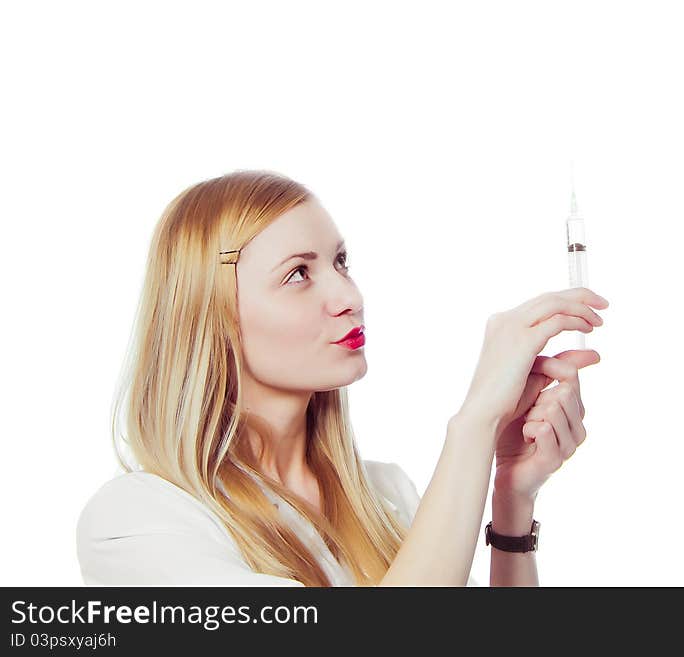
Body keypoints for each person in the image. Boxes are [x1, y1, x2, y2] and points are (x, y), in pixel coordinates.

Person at [76, 169, 609, 586]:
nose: (349, 298)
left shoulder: (385, 496)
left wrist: (512, 500)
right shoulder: (138, 522)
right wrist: (474, 424)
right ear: (210, 315)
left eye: (341, 262)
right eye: (298, 274)